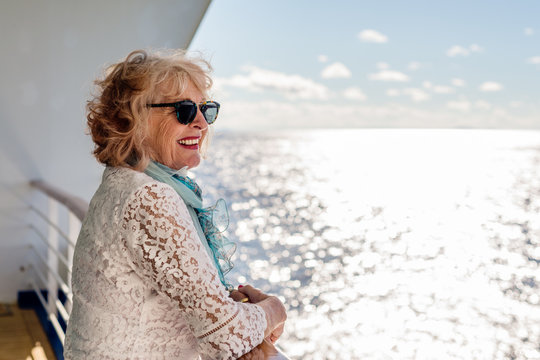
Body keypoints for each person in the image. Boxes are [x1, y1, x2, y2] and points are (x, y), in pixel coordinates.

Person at [64, 49, 286, 359]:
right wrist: (274, 309)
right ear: (135, 119)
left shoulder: (121, 182)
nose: (200, 123)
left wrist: (222, 302)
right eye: (183, 110)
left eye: (205, 110)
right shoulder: (149, 197)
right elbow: (225, 337)